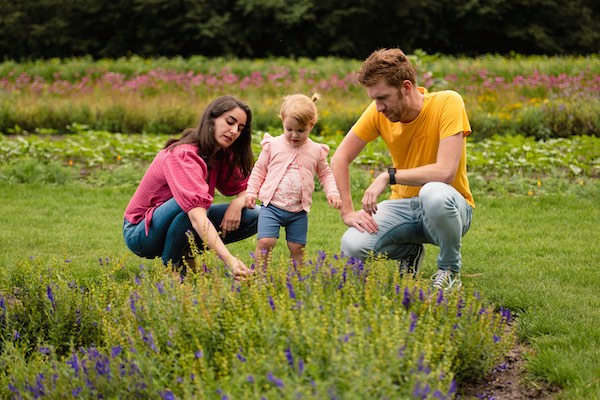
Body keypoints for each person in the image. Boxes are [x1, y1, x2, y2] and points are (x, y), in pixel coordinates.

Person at [330, 48, 474, 291]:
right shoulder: (378, 114)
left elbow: (446, 172)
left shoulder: (448, 102)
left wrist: (389, 176)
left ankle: (449, 271)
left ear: (406, 87)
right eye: (374, 99)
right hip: (404, 208)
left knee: (433, 193)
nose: (378, 107)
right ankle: (409, 250)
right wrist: (347, 211)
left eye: (383, 98)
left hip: (450, 206)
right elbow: (339, 158)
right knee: (352, 245)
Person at [123, 95, 259, 280]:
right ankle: (172, 267)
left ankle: (185, 253)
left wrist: (237, 203)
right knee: (189, 205)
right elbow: (196, 215)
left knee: (255, 215)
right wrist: (230, 260)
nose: (234, 131)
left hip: (185, 218)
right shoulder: (183, 155)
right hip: (141, 233)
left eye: (240, 128)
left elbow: (249, 186)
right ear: (212, 119)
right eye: (229, 122)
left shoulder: (220, 153)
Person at [245, 93, 341, 270]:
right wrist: (251, 192)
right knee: (266, 241)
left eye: (300, 131)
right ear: (283, 121)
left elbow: (325, 174)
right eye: (289, 129)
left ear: (311, 125)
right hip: (271, 206)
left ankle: (297, 279)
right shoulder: (273, 145)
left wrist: (332, 192)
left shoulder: (315, 150)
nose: (294, 135)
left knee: (297, 247)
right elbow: (259, 170)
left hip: (298, 211)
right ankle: (260, 276)